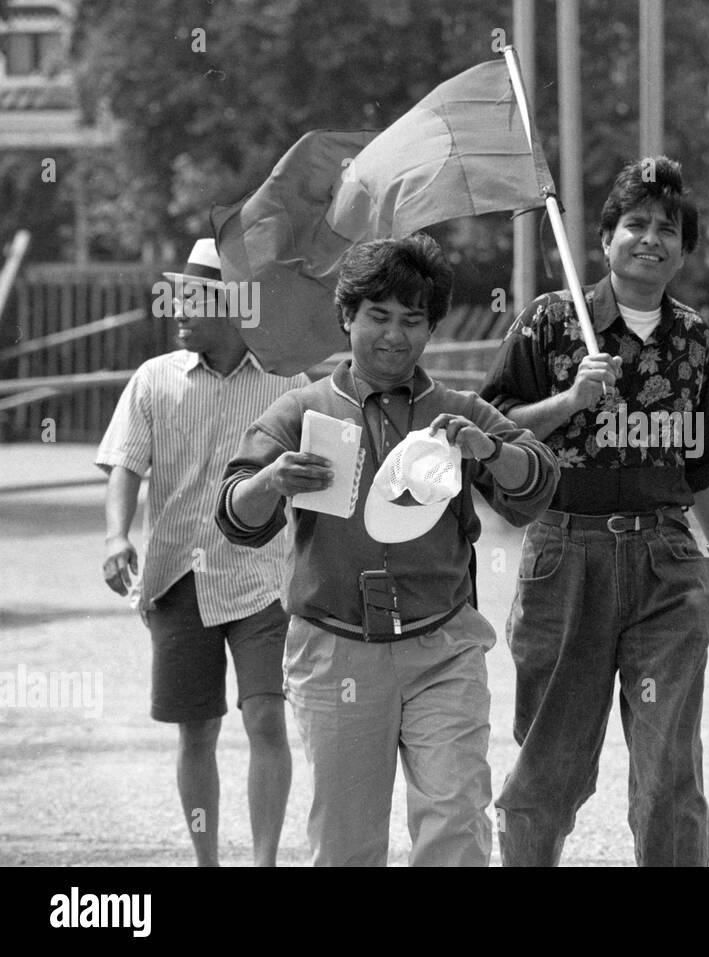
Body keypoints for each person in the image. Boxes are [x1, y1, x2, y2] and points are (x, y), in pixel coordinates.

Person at [215, 233, 558, 867]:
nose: (394, 335)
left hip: (443, 645)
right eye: (378, 316)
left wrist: (490, 451)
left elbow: (536, 484)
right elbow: (234, 515)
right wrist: (272, 481)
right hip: (334, 648)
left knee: (455, 825)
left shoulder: (458, 413)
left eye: (412, 320)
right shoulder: (301, 410)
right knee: (347, 846)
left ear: (431, 328)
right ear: (346, 317)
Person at [480, 155, 709, 867]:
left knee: (670, 772)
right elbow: (494, 428)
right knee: (549, 768)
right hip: (569, 556)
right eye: (635, 224)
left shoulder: (693, 337)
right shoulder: (550, 321)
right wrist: (569, 401)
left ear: (684, 250)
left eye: (667, 228)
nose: (650, 239)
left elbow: (700, 457)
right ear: (604, 240)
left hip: (668, 562)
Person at [98, 238, 307, 866]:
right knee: (197, 730)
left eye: (193, 300)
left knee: (267, 717)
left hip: (263, 576)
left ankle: (264, 861)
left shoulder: (286, 383)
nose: (178, 311)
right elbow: (125, 468)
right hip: (177, 575)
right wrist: (115, 536)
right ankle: (207, 861)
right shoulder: (153, 380)